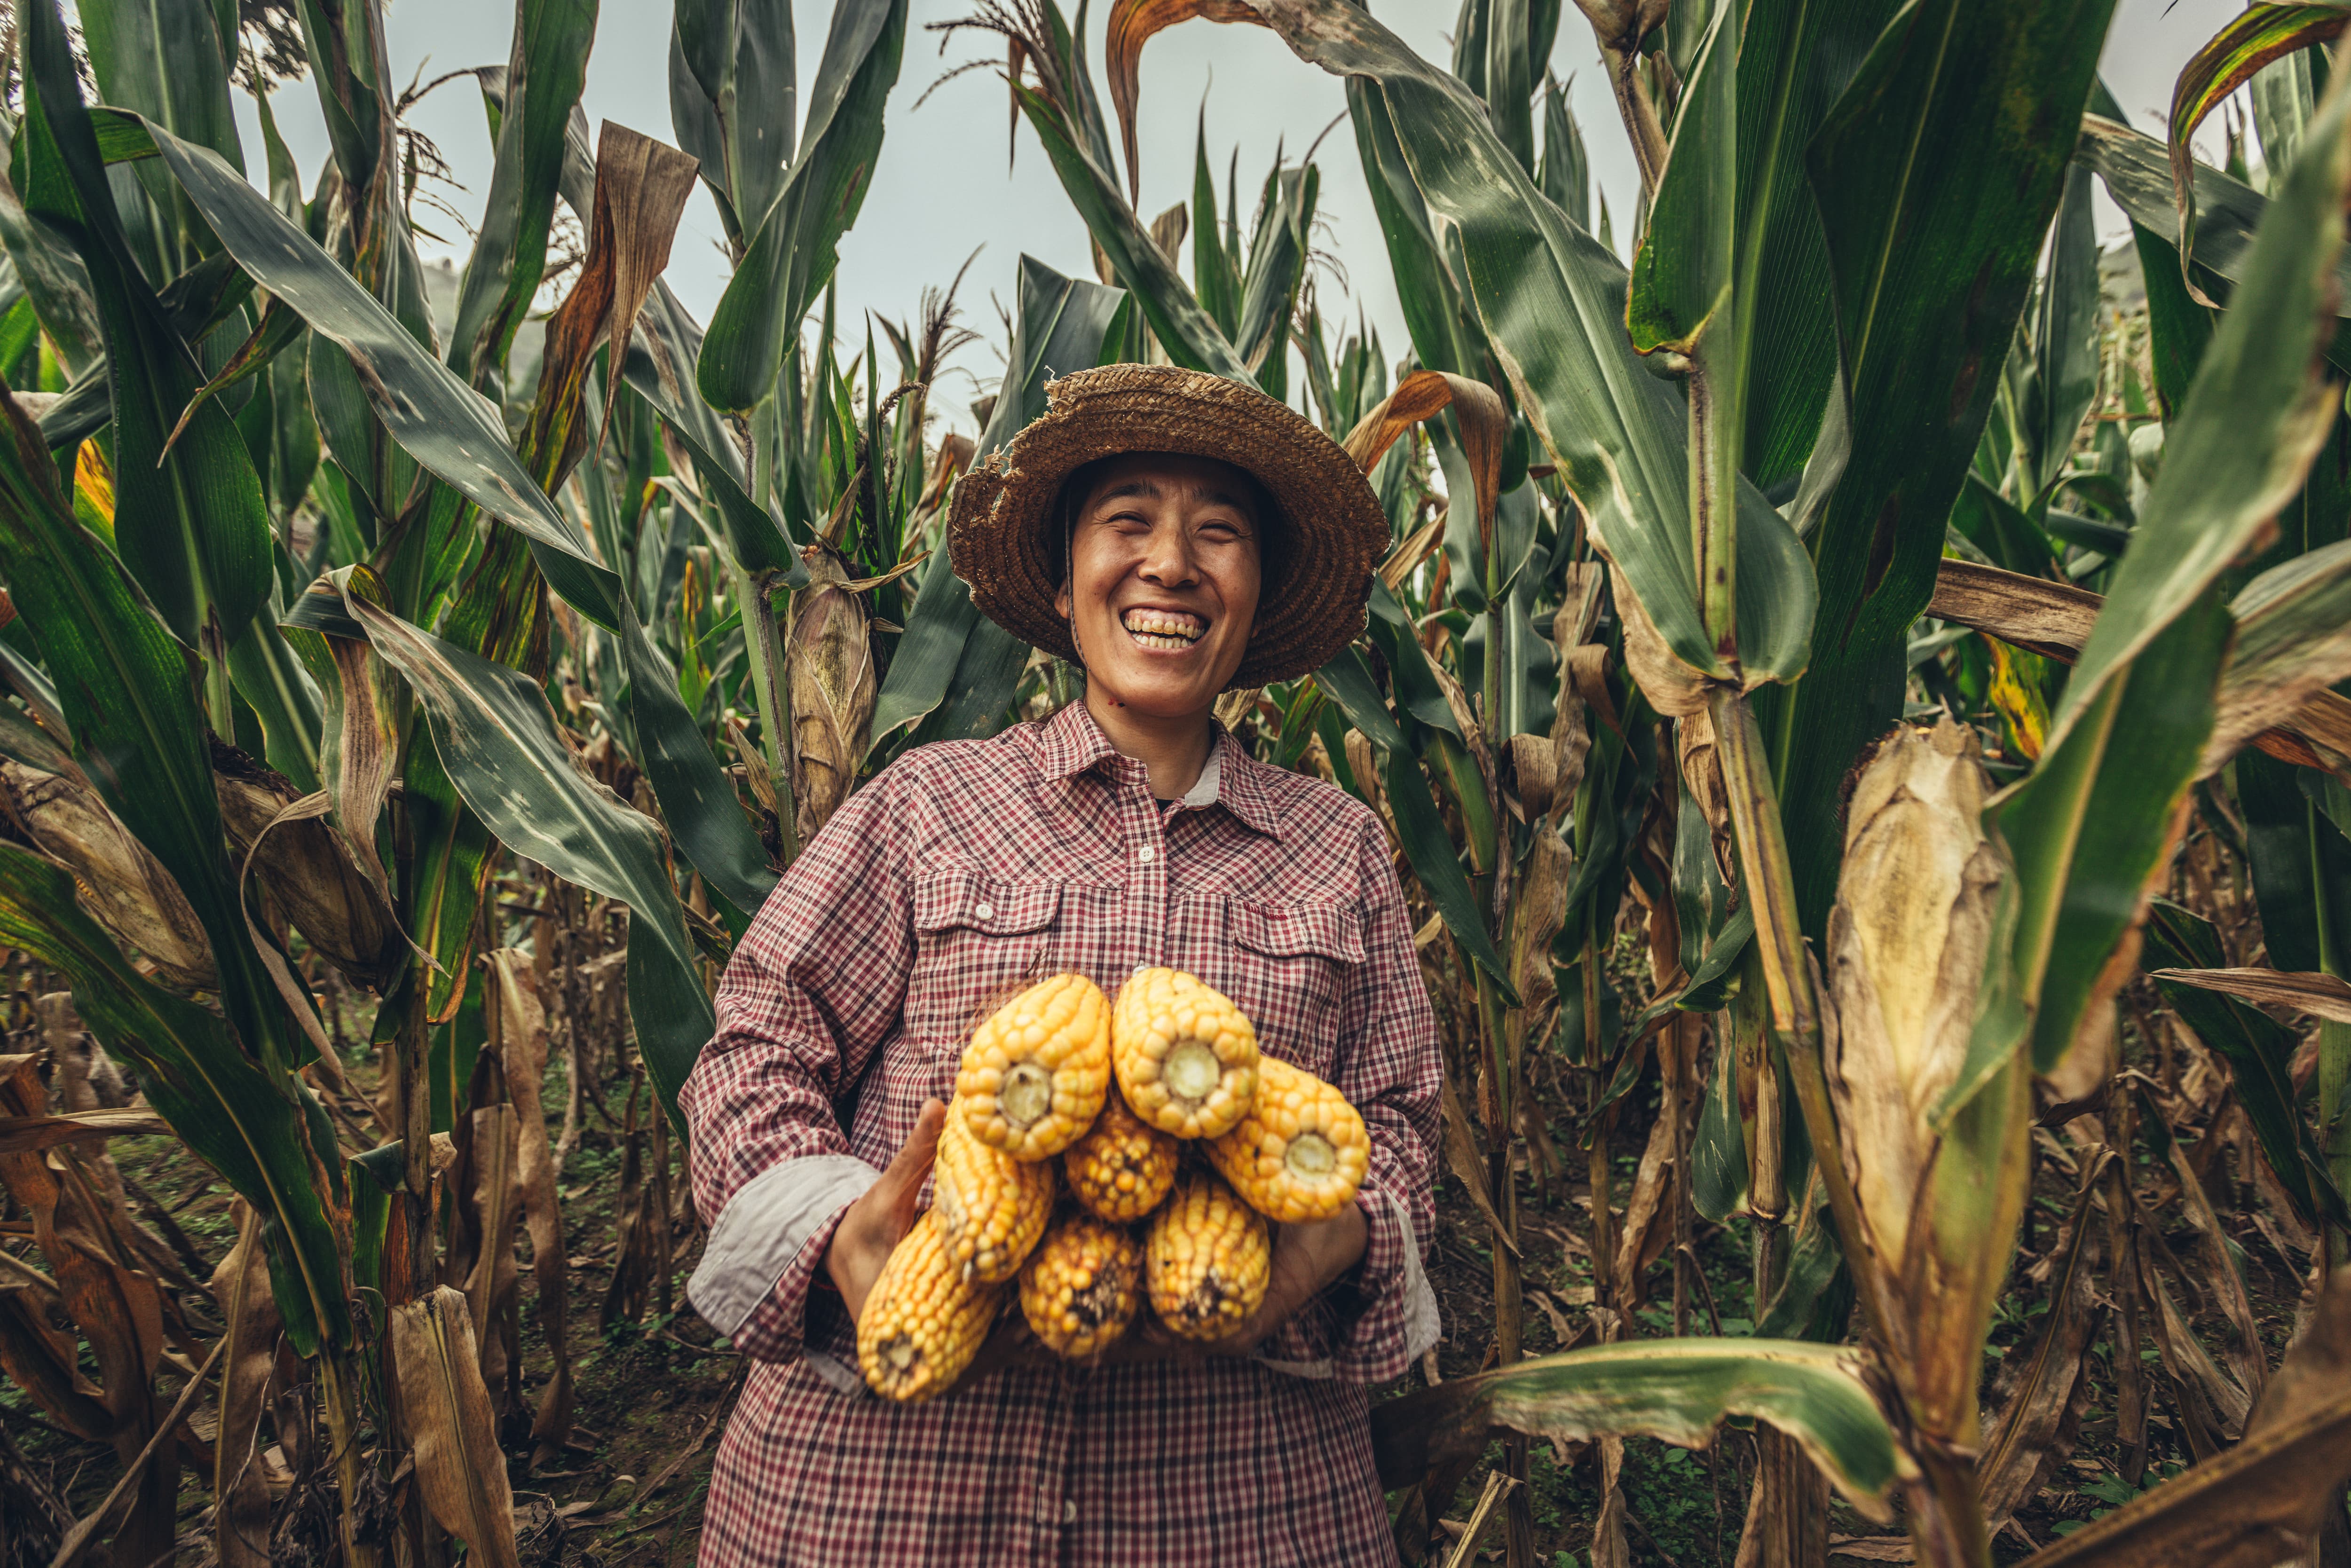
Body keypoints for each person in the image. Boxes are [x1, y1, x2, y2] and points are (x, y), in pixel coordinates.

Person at [681, 363, 1443, 1565]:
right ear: (1062, 575)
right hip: (896, 1493)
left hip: (1235, 1497)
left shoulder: (1336, 847)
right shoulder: (929, 803)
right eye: (1127, 520)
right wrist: (841, 1229)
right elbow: (758, 1045)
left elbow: (1398, 1122)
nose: (1172, 565)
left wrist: (1332, 1242)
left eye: (1221, 533)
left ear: (1257, 591)